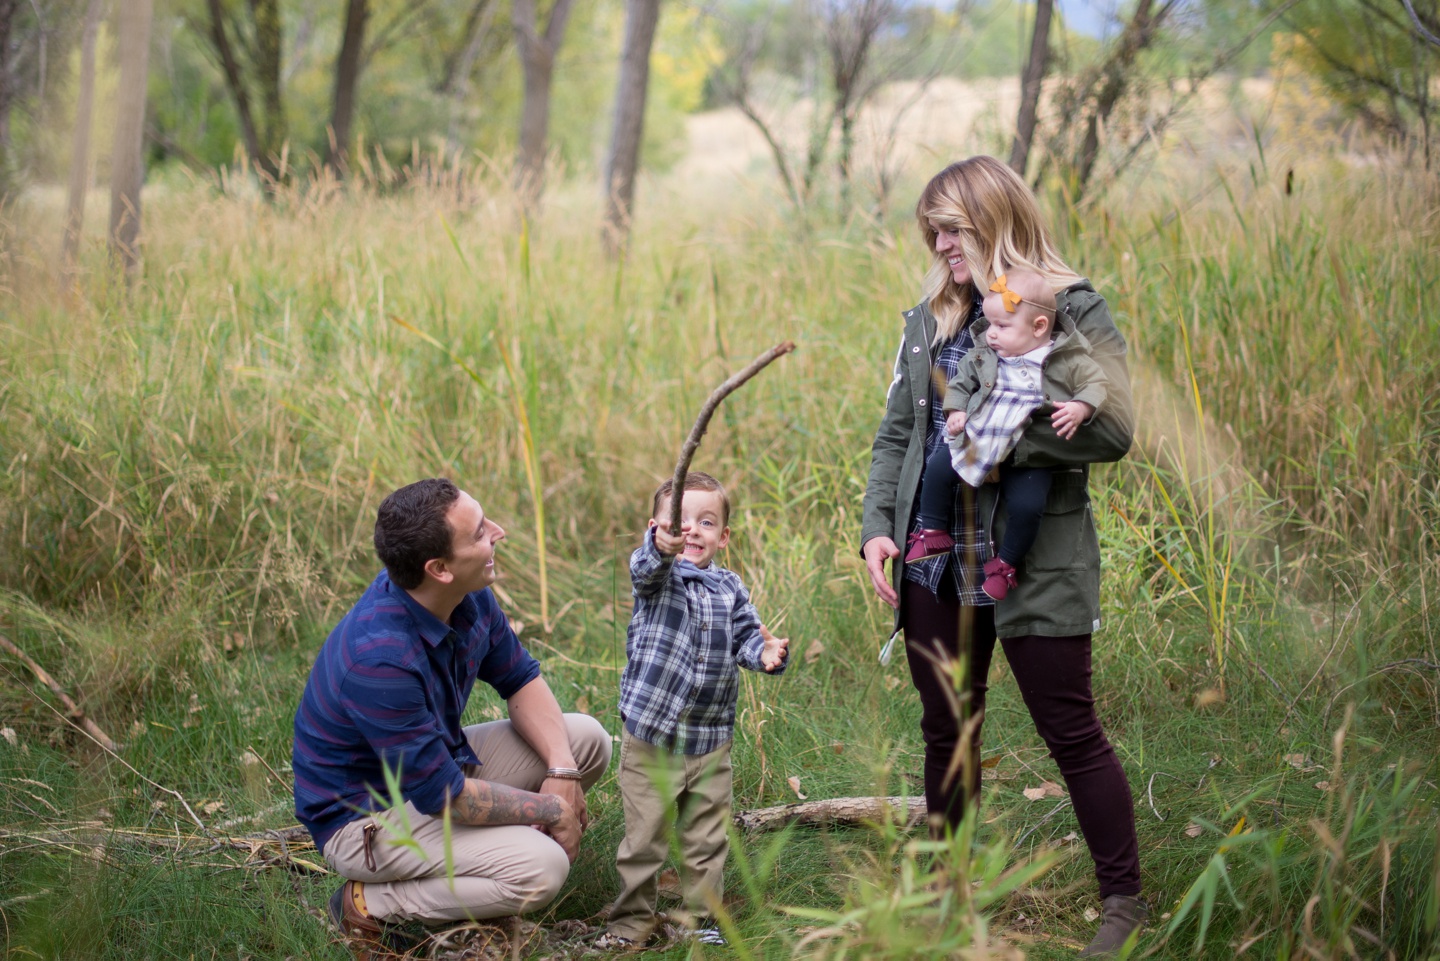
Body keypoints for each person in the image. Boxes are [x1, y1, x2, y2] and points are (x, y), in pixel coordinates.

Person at [859, 156, 1145, 958]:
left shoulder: (1070, 304)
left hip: (1032, 557)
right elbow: (895, 436)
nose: (941, 243)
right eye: (933, 231)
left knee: (1070, 728)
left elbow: (1115, 427)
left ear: (995, 217)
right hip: (934, 560)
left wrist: (998, 434)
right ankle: (950, 897)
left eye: (952, 226)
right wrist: (879, 524)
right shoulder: (931, 320)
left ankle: (1122, 901)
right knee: (947, 726)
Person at [292, 478, 612, 960]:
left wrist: (563, 774)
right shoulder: (379, 659)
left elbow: (520, 679)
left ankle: (490, 862)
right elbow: (446, 798)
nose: (499, 533)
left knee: (585, 740)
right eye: (481, 532)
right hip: (364, 819)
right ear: (439, 568)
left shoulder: (465, 595)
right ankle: (369, 905)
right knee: (541, 870)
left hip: (433, 775)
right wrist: (552, 810)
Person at [598, 472, 789, 951]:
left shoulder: (731, 588)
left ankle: (699, 920)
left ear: (723, 536)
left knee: (706, 839)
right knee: (644, 841)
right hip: (652, 739)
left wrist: (764, 655)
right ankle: (629, 925)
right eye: (679, 522)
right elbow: (645, 567)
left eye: (706, 522)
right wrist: (659, 547)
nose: (693, 532)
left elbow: (747, 637)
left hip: (709, 739)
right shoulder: (658, 578)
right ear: (658, 528)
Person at [906, 268, 1109, 605]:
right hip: (980, 433)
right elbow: (958, 384)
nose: (991, 335)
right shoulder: (985, 354)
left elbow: (1098, 383)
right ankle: (933, 530)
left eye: (1002, 326)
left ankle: (1006, 565)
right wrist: (955, 412)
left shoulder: (1065, 357)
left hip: (1027, 447)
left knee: (1028, 505)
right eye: (989, 325)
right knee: (939, 468)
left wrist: (1081, 407)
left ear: (1039, 327)